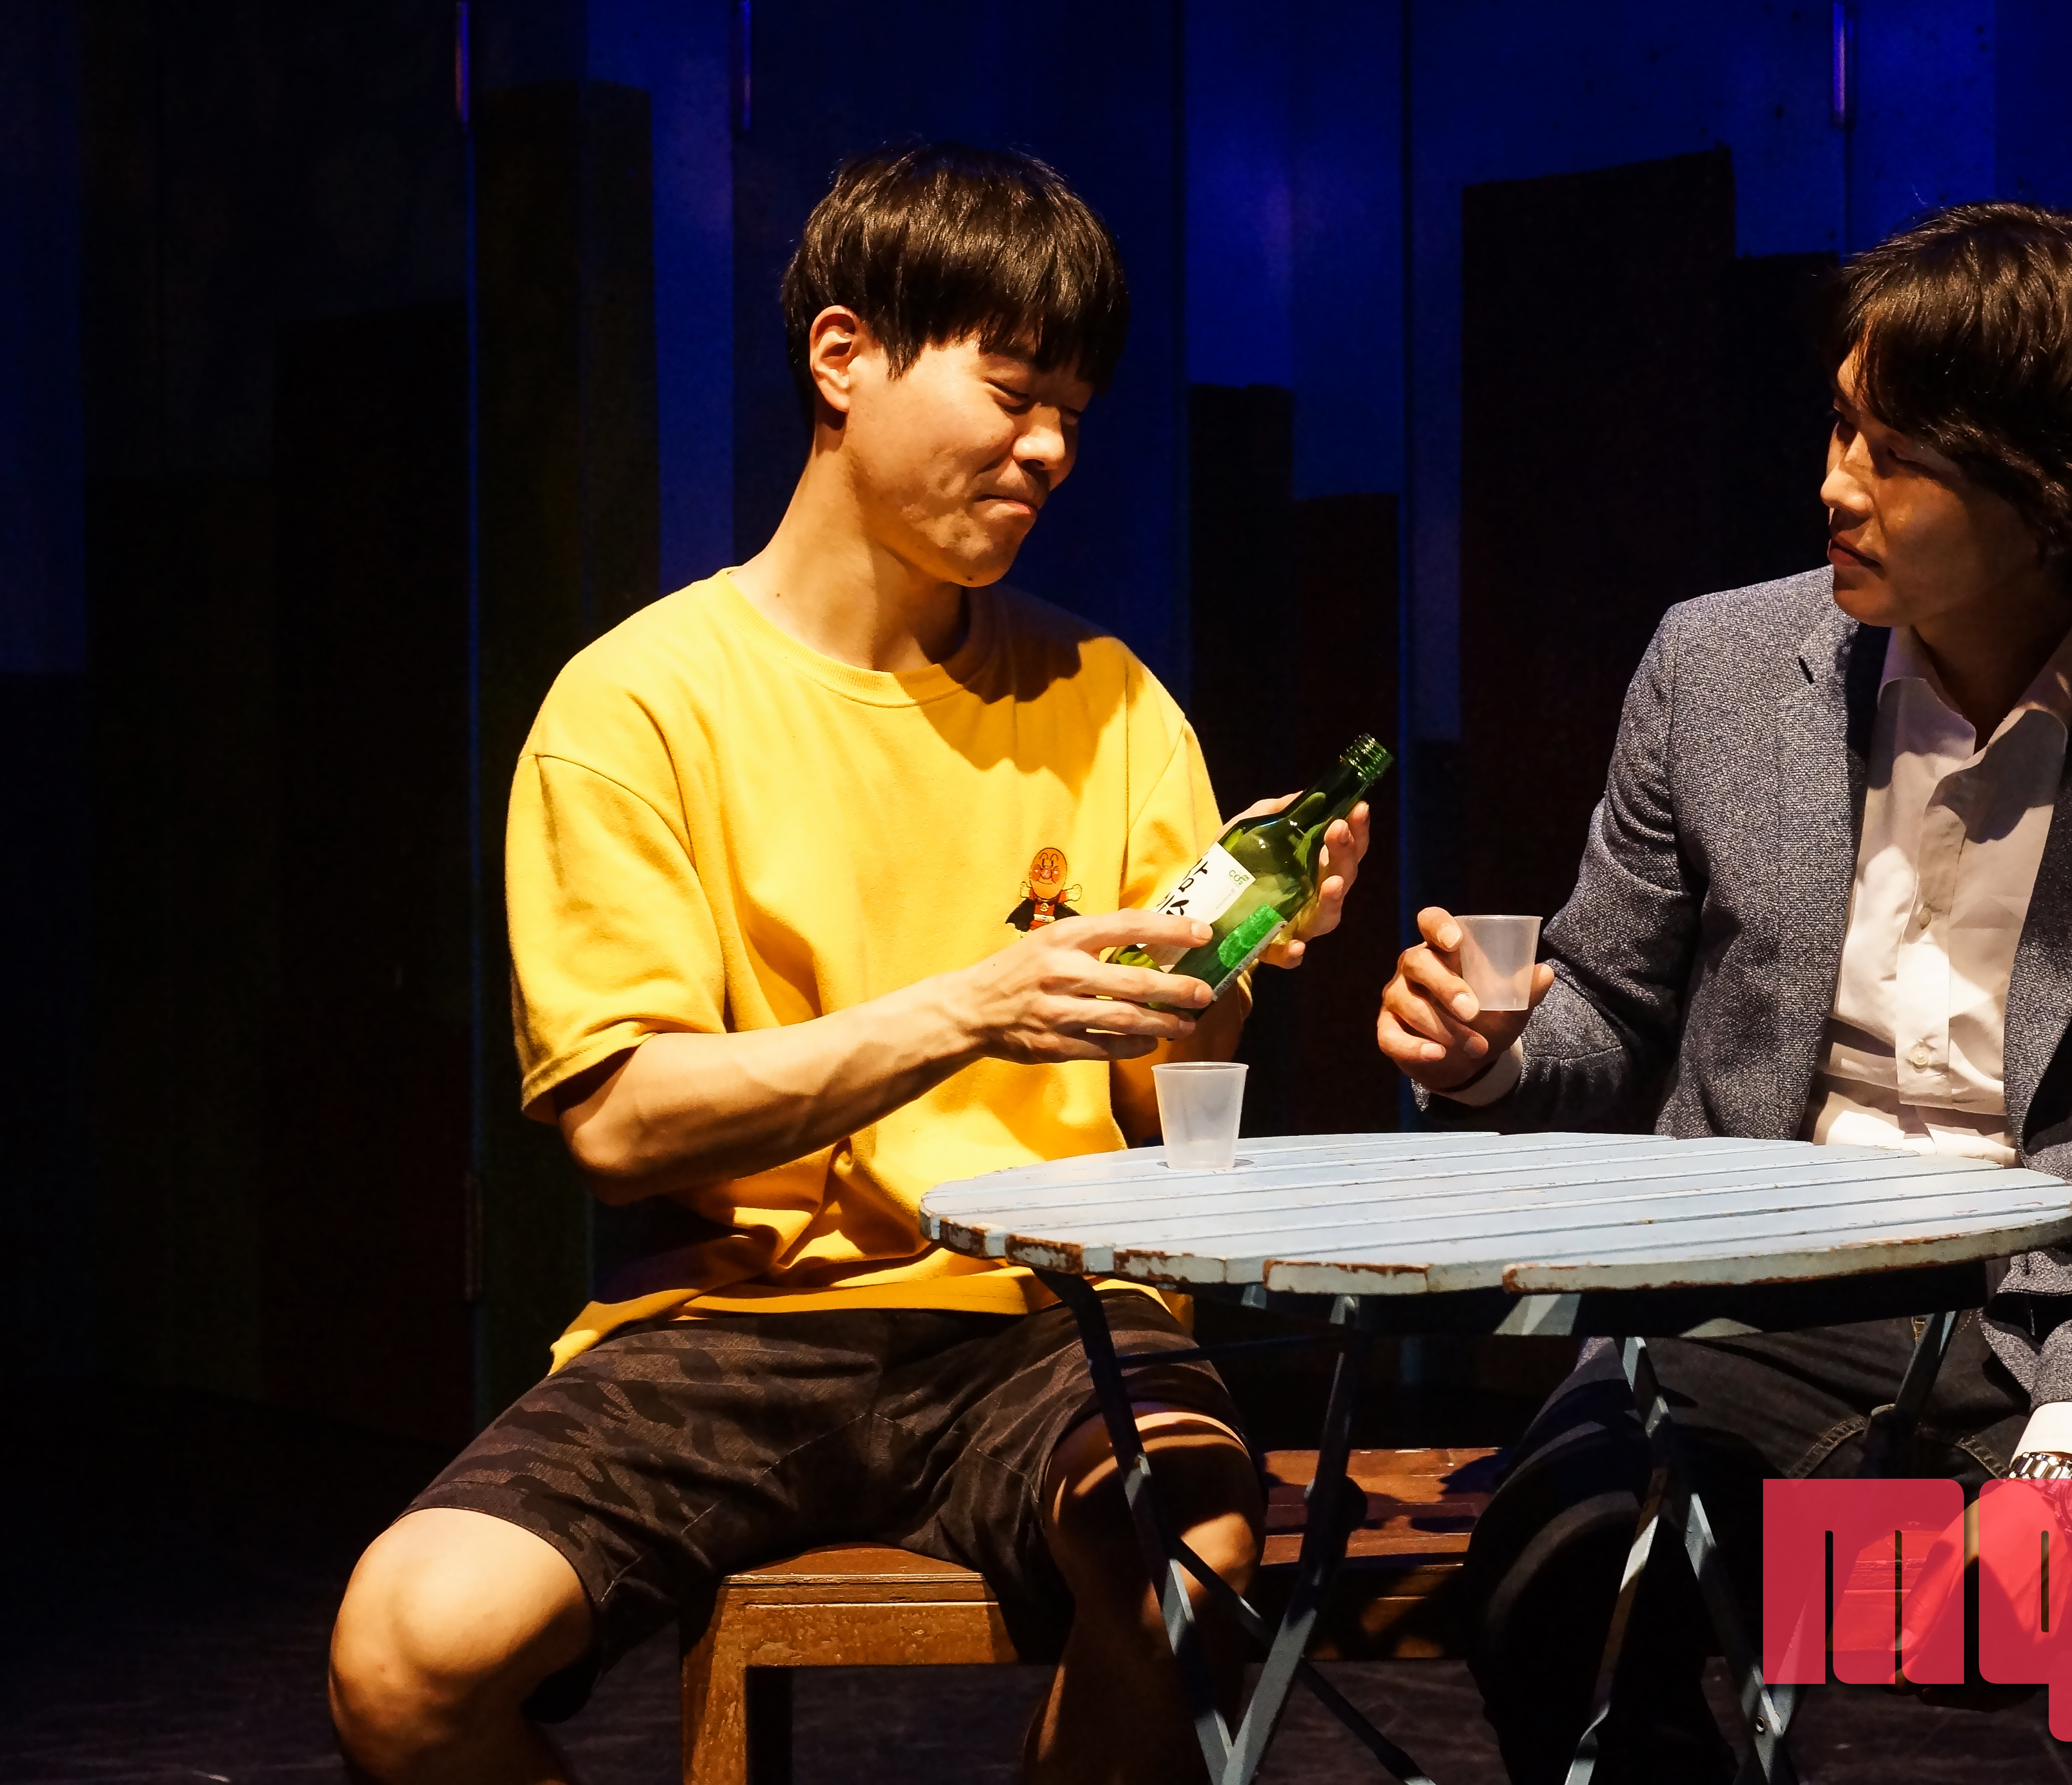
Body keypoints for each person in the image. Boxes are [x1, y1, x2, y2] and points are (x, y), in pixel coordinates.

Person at [329, 143, 1370, 1785]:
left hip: (1053, 1313)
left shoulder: (1110, 700)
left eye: (1073, 412)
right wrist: (969, 1006)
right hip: (734, 1322)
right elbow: (620, 1120)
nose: (1049, 448)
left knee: (1187, 1551)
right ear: (842, 356)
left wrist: (1232, 943)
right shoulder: (638, 704)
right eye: (1012, 391)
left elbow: (1161, 1099)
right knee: (406, 1651)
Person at [1378, 203, 2072, 1785]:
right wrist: (1488, 1051)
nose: (1835, 483)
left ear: (2054, 493)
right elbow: (1604, 1006)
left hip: (2064, 1305)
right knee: (1554, 1571)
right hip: (1750, 1294)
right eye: (1838, 427)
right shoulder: (1716, 667)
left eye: (1895, 454)